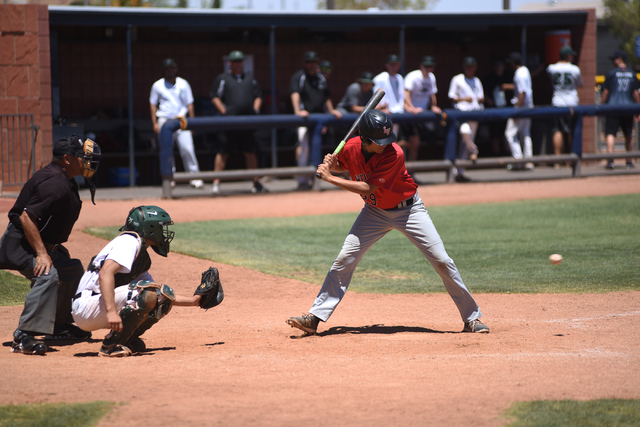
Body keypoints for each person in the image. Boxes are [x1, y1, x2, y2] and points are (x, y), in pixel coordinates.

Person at [286, 110, 489, 336]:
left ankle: (472, 318)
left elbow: (367, 188)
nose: (385, 144)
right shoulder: (352, 146)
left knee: (441, 260)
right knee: (344, 258)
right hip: (374, 212)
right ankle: (314, 318)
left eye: (386, 139)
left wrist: (330, 178)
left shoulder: (395, 153)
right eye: (378, 141)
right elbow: (343, 164)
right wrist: (331, 163)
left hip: (409, 210)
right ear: (364, 139)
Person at [1, 135, 101, 355]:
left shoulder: (63, 177)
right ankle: (23, 336)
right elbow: (27, 218)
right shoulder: (55, 183)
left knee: (72, 270)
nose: (86, 161)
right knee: (48, 275)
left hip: (37, 242)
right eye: (81, 157)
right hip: (21, 245)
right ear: (67, 159)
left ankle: (58, 325)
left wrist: (53, 247)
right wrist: (42, 253)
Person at [71, 206, 206, 357]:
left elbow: (158, 293)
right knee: (146, 294)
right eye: (162, 228)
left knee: (160, 299)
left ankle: (125, 339)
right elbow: (105, 273)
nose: (164, 233)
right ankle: (110, 346)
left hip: (95, 305)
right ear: (150, 228)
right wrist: (111, 312)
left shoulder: (138, 250)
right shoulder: (129, 241)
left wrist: (195, 301)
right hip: (86, 307)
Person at [210, 50, 266, 194]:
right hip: (229, 123)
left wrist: (256, 109)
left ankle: (255, 183)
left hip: (247, 123)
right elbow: (214, 96)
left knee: (250, 152)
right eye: (234, 61)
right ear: (229, 63)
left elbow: (259, 95)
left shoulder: (250, 79)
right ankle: (216, 183)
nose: (237, 64)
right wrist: (223, 110)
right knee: (223, 152)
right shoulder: (223, 78)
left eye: (239, 61)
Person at [289, 51, 343, 190]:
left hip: (319, 120)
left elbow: (326, 97)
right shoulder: (299, 77)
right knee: (304, 148)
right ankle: (302, 181)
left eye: (314, 62)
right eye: (309, 62)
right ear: (304, 63)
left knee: (316, 149)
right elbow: (295, 94)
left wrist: (330, 111)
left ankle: (314, 180)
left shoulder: (320, 78)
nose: (312, 65)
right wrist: (297, 111)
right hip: (305, 119)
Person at [149, 58, 204, 189]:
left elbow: (190, 103)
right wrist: (154, 123)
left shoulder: (183, 84)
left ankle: (194, 177)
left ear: (176, 69)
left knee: (188, 148)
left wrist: (192, 121)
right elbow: (153, 104)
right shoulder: (157, 85)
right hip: (164, 119)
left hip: (181, 120)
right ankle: (170, 179)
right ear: (164, 70)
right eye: (167, 68)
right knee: (166, 150)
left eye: (172, 67)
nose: (170, 70)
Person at [601, 49, 640, 170]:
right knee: (628, 134)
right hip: (628, 107)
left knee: (610, 134)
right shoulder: (632, 74)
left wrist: (601, 106)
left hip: (613, 107)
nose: (613, 62)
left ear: (619, 59)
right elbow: (635, 94)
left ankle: (610, 160)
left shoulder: (611, 73)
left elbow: (606, 92)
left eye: (614, 59)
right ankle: (629, 161)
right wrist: (637, 108)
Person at [448, 56, 485, 183]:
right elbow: (451, 97)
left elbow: (481, 97)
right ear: (464, 67)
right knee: (465, 133)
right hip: (461, 113)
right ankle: (473, 150)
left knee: (465, 144)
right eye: (467, 66)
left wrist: (478, 99)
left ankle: (460, 173)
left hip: (474, 113)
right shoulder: (457, 79)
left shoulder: (477, 81)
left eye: (472, 67)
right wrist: (464, 99)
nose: (469, 69)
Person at [546, 46, 583, 168]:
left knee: (557, 131)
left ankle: (557, 160)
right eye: (571, 55)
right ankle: (568, 160)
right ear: (568, 56)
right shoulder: (575, 69)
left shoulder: (551, 68)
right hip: (571, 104)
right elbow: (580, 84)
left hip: (557, 102)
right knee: (570, 132)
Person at [404, 55, 442, 162]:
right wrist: (411, 108)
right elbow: (406, 93)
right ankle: (388, 147)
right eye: (426, 66)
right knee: (414, 143)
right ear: (421, 66)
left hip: (422, 115)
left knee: (416, 144)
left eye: (431, 67)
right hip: (409, 115)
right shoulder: (413, 76)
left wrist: (433, 106)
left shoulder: (431, 77)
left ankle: (411, 174)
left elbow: (432, 94)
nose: (428, 69)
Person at [504, 52, 534, 170]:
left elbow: (522, 92)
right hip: (528, 107)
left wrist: (516, 110)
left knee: (510, 134)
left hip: (521, 108)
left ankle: (518, 160)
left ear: (512, 62)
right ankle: (528, 161)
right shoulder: (525, 70)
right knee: (525, 134)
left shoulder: (519, 73)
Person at [373, 54, 409, 150]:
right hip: (385, 116)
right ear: (387, 65)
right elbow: (375, 101)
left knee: (396, 145)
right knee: (385, 145)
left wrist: (409, 107)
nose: (394, 67)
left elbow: (402, 98)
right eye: (392, 64)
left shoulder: (400, 78)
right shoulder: (380, 78)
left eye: (396, 64)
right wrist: (381, 107)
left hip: (400, 115)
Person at [482, 59, 512, 156]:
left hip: (506, 109)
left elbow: (520, 88)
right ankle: (496, 155)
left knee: (506, 133)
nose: (499, 68)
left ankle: (507, 154)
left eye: (501, 65)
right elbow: (482, 93)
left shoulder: (508, 77)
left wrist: (507, 86)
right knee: (495, 134)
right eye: (497, 66)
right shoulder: (489, 78)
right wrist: (488, 99)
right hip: (494, 110)